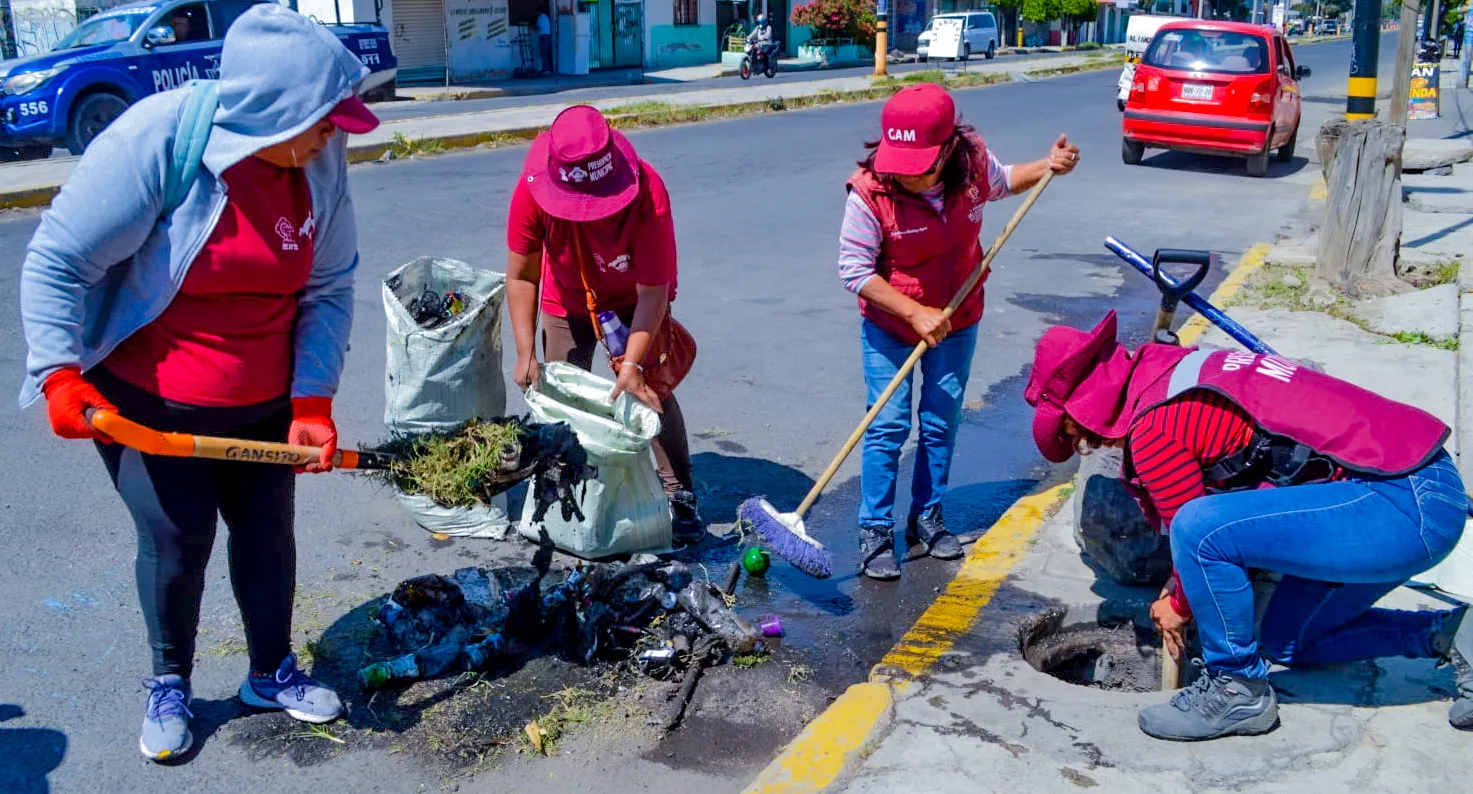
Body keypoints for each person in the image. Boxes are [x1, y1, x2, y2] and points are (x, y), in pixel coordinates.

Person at [18, 5, 378, 761]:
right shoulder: (160, 140)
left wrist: (312, 401)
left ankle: (270, 673)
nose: (334, 135)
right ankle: (170, 683)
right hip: (148, 400)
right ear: (273, 113)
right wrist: (56, 374)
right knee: (179, 540)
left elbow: (330, 285)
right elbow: (57, 260)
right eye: (320, 121)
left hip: (265, 398)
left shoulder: (318, 158)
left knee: (267, 534)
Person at [1024, 311, 1473, 741]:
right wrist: (1180, 589)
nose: (1084, 445)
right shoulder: (1167, 370)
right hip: (1415, 482)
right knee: (1289, 643)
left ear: (1083, 412)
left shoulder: (1153, 430)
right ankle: (1452, 635)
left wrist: (1179, 602)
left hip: (1400, 506)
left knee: (1199, 529)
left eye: (1072, 435)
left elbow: (1194, 531)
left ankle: (1236, 688)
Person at [839, 83, 1079, 580]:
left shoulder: (969, 160)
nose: (905, 175)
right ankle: (875, 530)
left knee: (940, 420)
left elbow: (1004, 181)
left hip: (958, 314)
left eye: (919, 164)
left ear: (948, 148)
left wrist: (1047, 166)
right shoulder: (869, 192)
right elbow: (854, 270)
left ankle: (926, 518)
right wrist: (913, 312)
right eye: (898, 163)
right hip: (891, 324)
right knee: (886, 426)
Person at [505, 105, 705, 546]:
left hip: (635, 299)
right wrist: (525, 353)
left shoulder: (648, 191)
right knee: (562, 396)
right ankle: (568, 494)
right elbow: (522, 275)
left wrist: (632, 365)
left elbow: (654, 289)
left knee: (649, 394)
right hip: (569, 296)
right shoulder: (532, 192)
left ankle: (679, 493)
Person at [536, 7, 554, 74]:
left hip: (543, 37)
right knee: (547, 53)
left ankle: (546, 69)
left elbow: (538, 27)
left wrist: (532, 27)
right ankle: (548, 68)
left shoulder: (540, 18)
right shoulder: (546, 17)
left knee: (544, 53)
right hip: (548, 36)